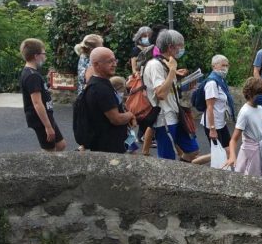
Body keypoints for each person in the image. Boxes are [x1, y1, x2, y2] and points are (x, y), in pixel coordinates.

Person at [144, 29, 201, 162]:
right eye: (180, 46)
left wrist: (182, 82)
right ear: (170, 47)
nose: (182, 49)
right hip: (164, 119)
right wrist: (172, 71)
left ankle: (179, 174)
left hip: (176, 115)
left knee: (193, 150)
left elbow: (169, 89)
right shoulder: (155, 65)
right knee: (166, 159)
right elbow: (161, 94)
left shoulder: (166, 63)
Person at [83, 47, 136, 153]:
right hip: (108, 148)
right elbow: (116, 119)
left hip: (109, 144)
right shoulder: (100, 88)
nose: (114, 64)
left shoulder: (99, 83)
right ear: (96, 64)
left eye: (114, 60)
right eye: (109, 61)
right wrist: (130, 115)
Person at [19, 38, 65, 151]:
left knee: (60, 145)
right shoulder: (32, 76)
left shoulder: (33, 73)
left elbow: (41, 91)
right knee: (50, 151)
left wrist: (48, 83)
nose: (45, 57)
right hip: (40, 119)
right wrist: (48, 127)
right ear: (36, 56)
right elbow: (37, 103)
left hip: (47, 116)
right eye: (44, 54)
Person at [223, 77, 262, 177]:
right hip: (250, 152)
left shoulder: (260, 108)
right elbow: (233, 139)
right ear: (250, 94)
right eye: (259, 94)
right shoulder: (245, 112)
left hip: (260, 149)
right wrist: (232, 156)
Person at [201, 54, 236, 160]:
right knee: (219, 155)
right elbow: (210, 107)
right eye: (223, 65)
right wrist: (212, 129)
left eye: (227, 65)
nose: (225, 68)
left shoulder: (221, 81)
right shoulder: (212, 83)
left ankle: (195, 162)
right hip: (213, 124)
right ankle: (195, 163)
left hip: (221, 123)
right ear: (214, 66)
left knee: (229, 150)